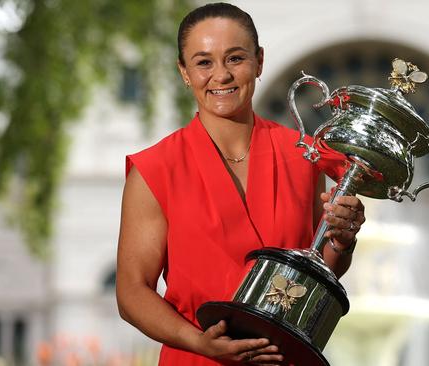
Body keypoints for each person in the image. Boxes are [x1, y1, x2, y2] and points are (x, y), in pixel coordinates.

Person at [115, 3, 365, 365]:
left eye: (235, 58)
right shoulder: (156, 169)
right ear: (184, 72)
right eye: (203, 62)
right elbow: (131, 292)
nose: (221, 76)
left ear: (259, 61)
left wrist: (343, 239)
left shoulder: (303, 155)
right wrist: (198, 341)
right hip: (197, 358)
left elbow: (320, 270)